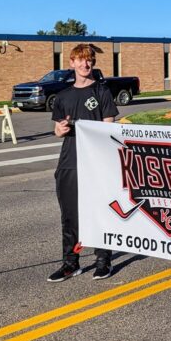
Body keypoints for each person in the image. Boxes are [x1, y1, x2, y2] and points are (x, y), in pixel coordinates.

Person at [48, 44, 118, 282]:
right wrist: (60, 130)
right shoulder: (63, 96)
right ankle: (70, 263)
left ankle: (103, 260)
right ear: (72, 63)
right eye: (80, 60)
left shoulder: (101, 91)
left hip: (96, 163)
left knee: (99, 211)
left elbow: (109, 128)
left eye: (89, 60)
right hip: (69, 162)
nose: (85, 64)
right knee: (70, 215)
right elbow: (57, 130)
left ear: (93, 63)